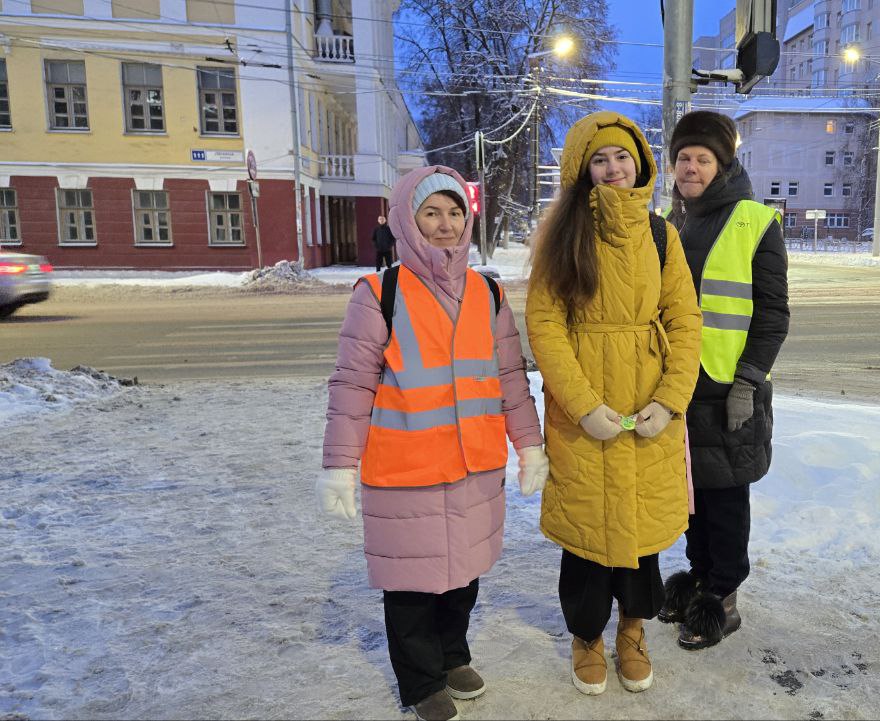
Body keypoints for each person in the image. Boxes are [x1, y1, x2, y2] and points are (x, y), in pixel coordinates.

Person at [318, 165, 548, 721]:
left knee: (462, 575)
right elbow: (352, 384)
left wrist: (531, 445)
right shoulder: (380, 292)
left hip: (473, 466)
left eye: (454, 213)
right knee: (412, 585)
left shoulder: (487, 292)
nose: (445, 225)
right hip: (406, 468)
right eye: (431, 213)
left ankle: (451, 656)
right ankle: (421, 683)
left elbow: (511, 378)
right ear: (407, 219)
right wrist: (339, 464)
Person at [525, 112, 702, 695]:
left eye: (621, 157)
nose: (612, 168)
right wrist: (581, 405)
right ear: (582, 169)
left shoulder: (661, 235)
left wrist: (671, 401)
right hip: (587, 415)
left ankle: (633, 630)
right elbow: (546, 325)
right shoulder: (562, 234)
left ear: (640, 163)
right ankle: (586, 637)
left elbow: (684, 320)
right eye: (599, 159)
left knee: (641, 535)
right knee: (586, 536)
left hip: (648, 410)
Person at [656, 110, 790, 651]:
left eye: (702, 158)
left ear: (722, 164)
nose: (691, 167)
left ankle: (723, 600)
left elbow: (773, 315)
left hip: (727, 387)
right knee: (691, 496)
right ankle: (696, 581)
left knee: (726, 500)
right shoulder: (669, 222)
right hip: (677, 384)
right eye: (684, 158)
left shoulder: (755, 221)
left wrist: (748, 382)